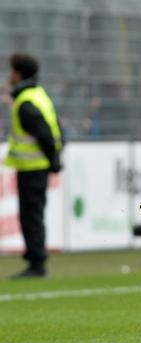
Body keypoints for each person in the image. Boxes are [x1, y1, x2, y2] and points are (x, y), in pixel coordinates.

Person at [6, 53, 63, 278]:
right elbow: (54, 126)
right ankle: (36, 261)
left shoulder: (25, 101)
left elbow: (45, 133)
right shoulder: (39, 95)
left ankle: (37, 264)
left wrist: (53, 159)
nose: (10, 76)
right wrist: (55, 158)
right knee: (33, 214)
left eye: (12, 71)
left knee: (31, 216)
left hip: (33, 168)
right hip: (36, 167)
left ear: (18, 74)